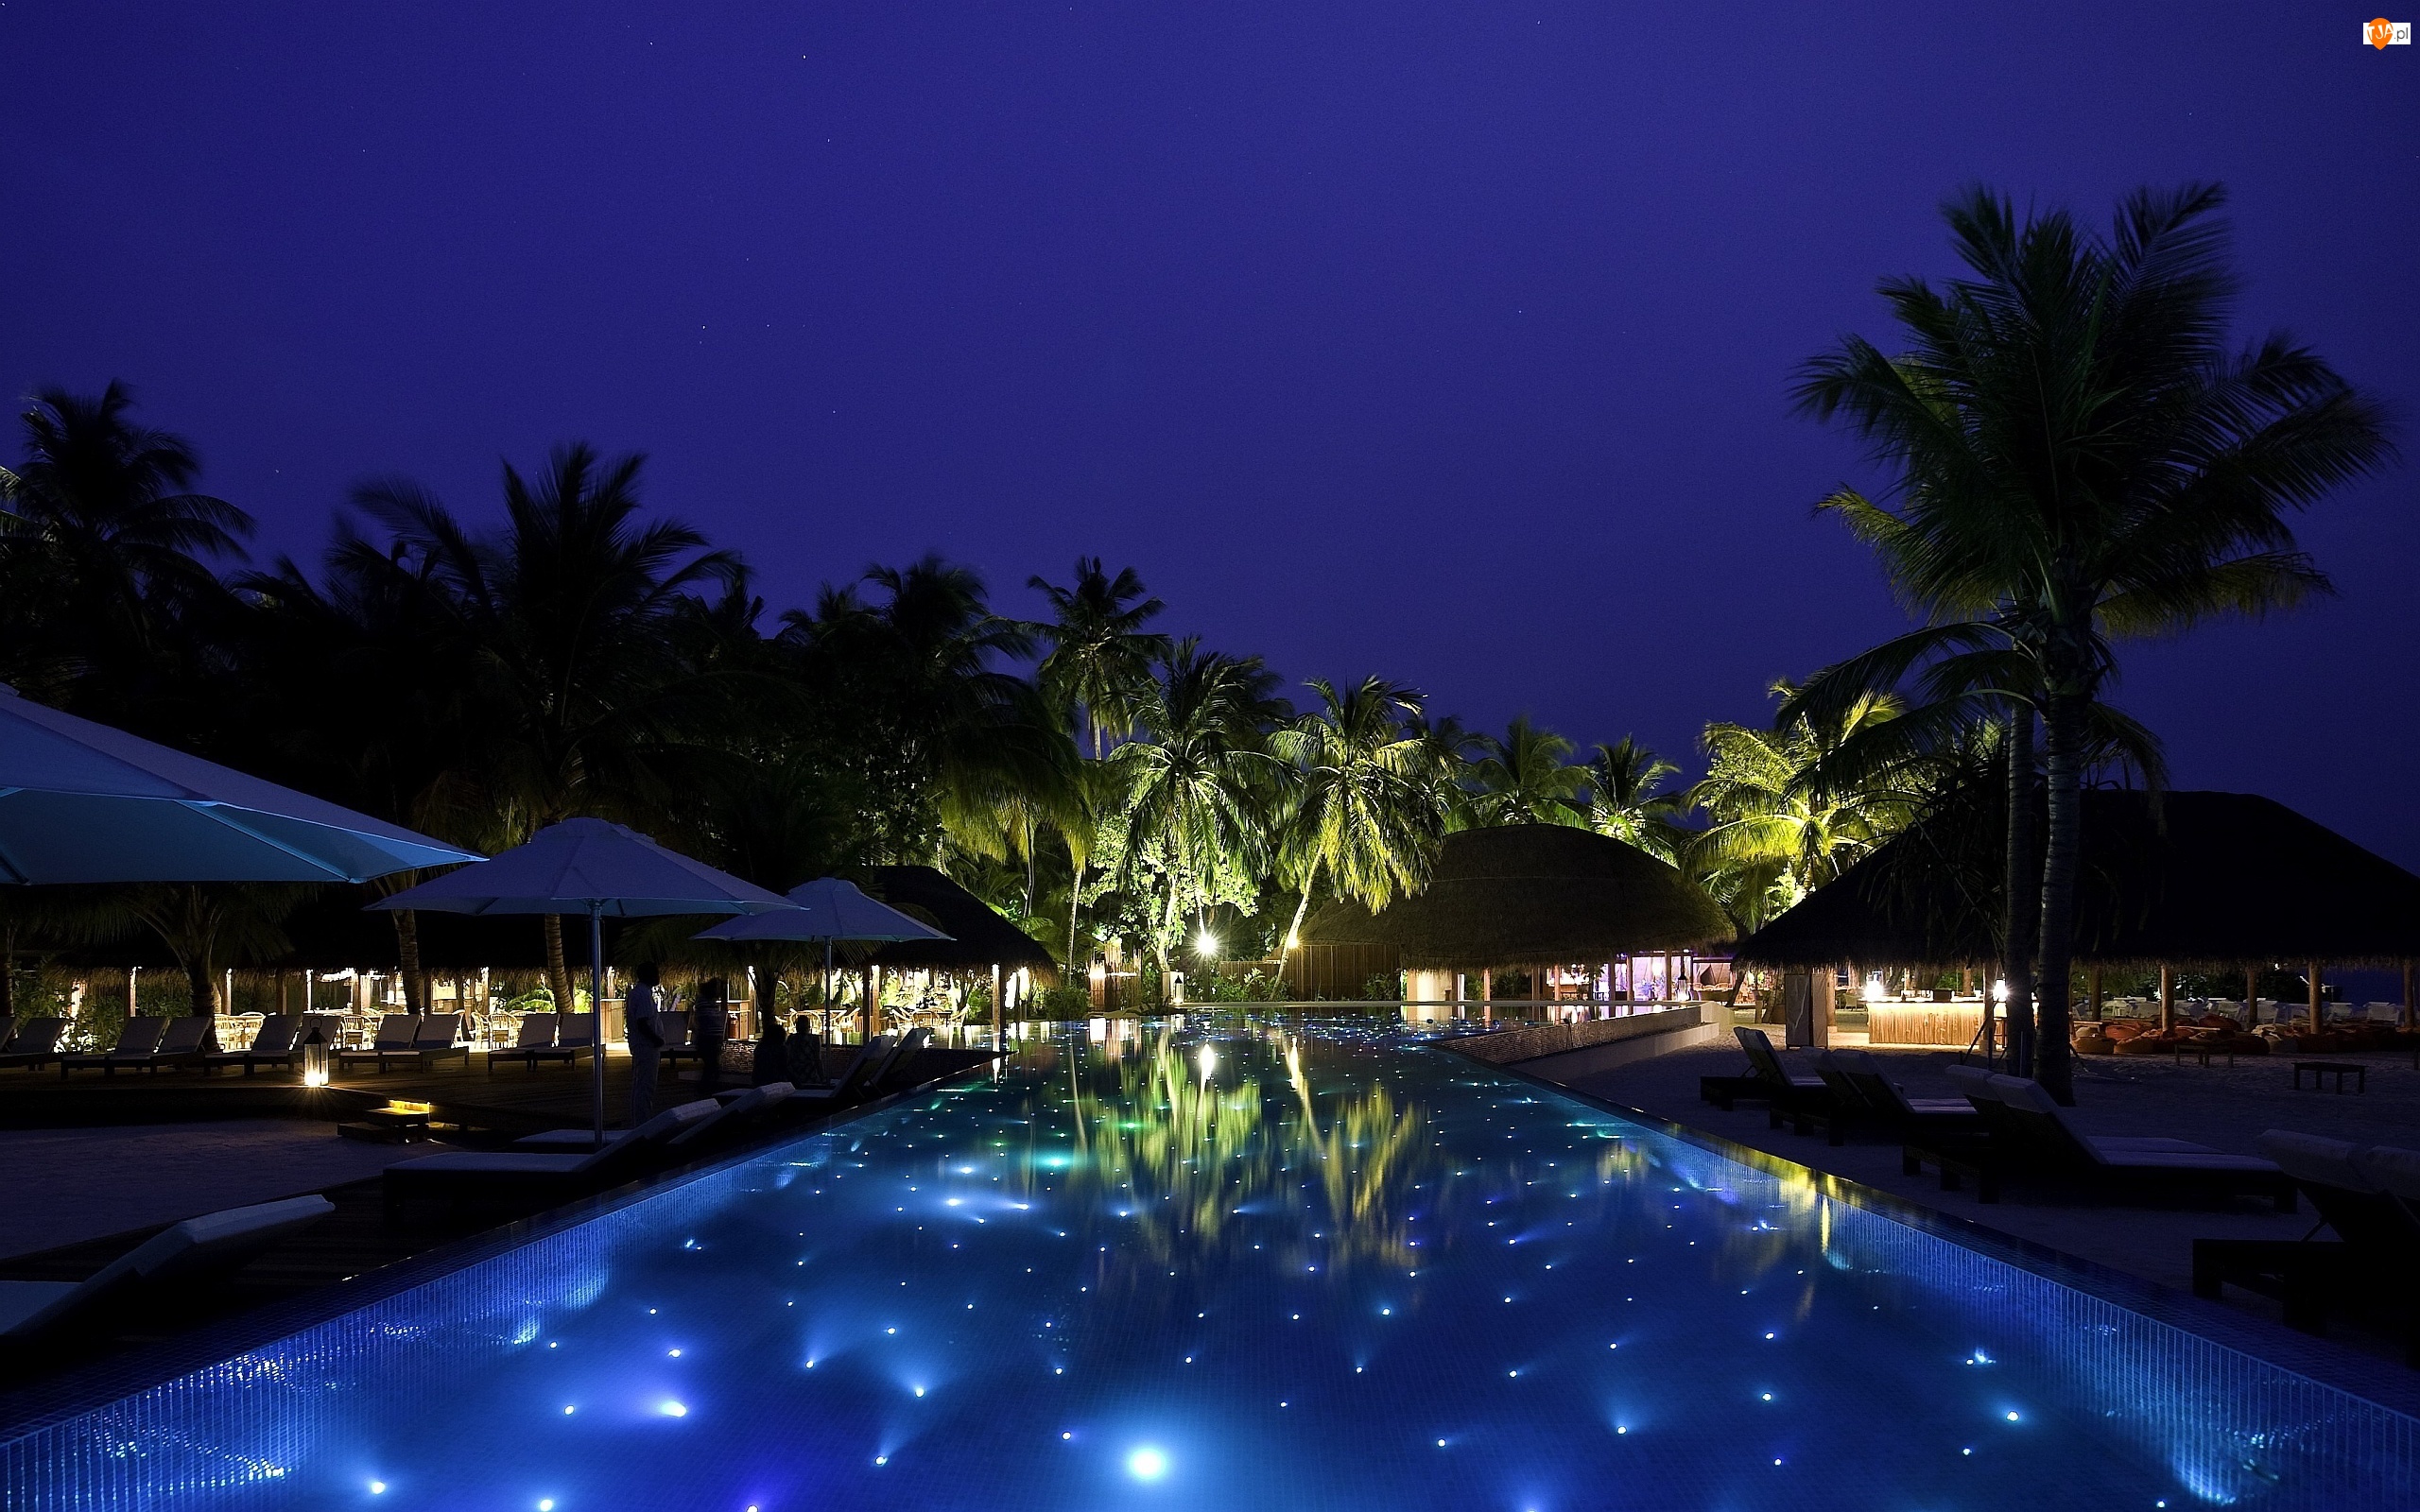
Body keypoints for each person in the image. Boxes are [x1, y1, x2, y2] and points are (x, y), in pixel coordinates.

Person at [625, 961, 665, 1125]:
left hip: (643, 1045)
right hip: (646, 1046)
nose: (658, 976)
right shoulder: (642, 995)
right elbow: (642, 1022)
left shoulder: (638, 993)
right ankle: (643, 1122)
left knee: (641, 1084)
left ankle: (639, 1120)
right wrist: (656, 1039)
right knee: (645, 1086)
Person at [693, 976, 729, 1096]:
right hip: (708, 1039)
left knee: (711, 1066)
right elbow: (707, 1020)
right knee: (712, 1066)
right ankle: (705, 1090)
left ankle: (706, 1089)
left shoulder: (708, 1002)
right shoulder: (704, 1003)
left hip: (711, 1038)